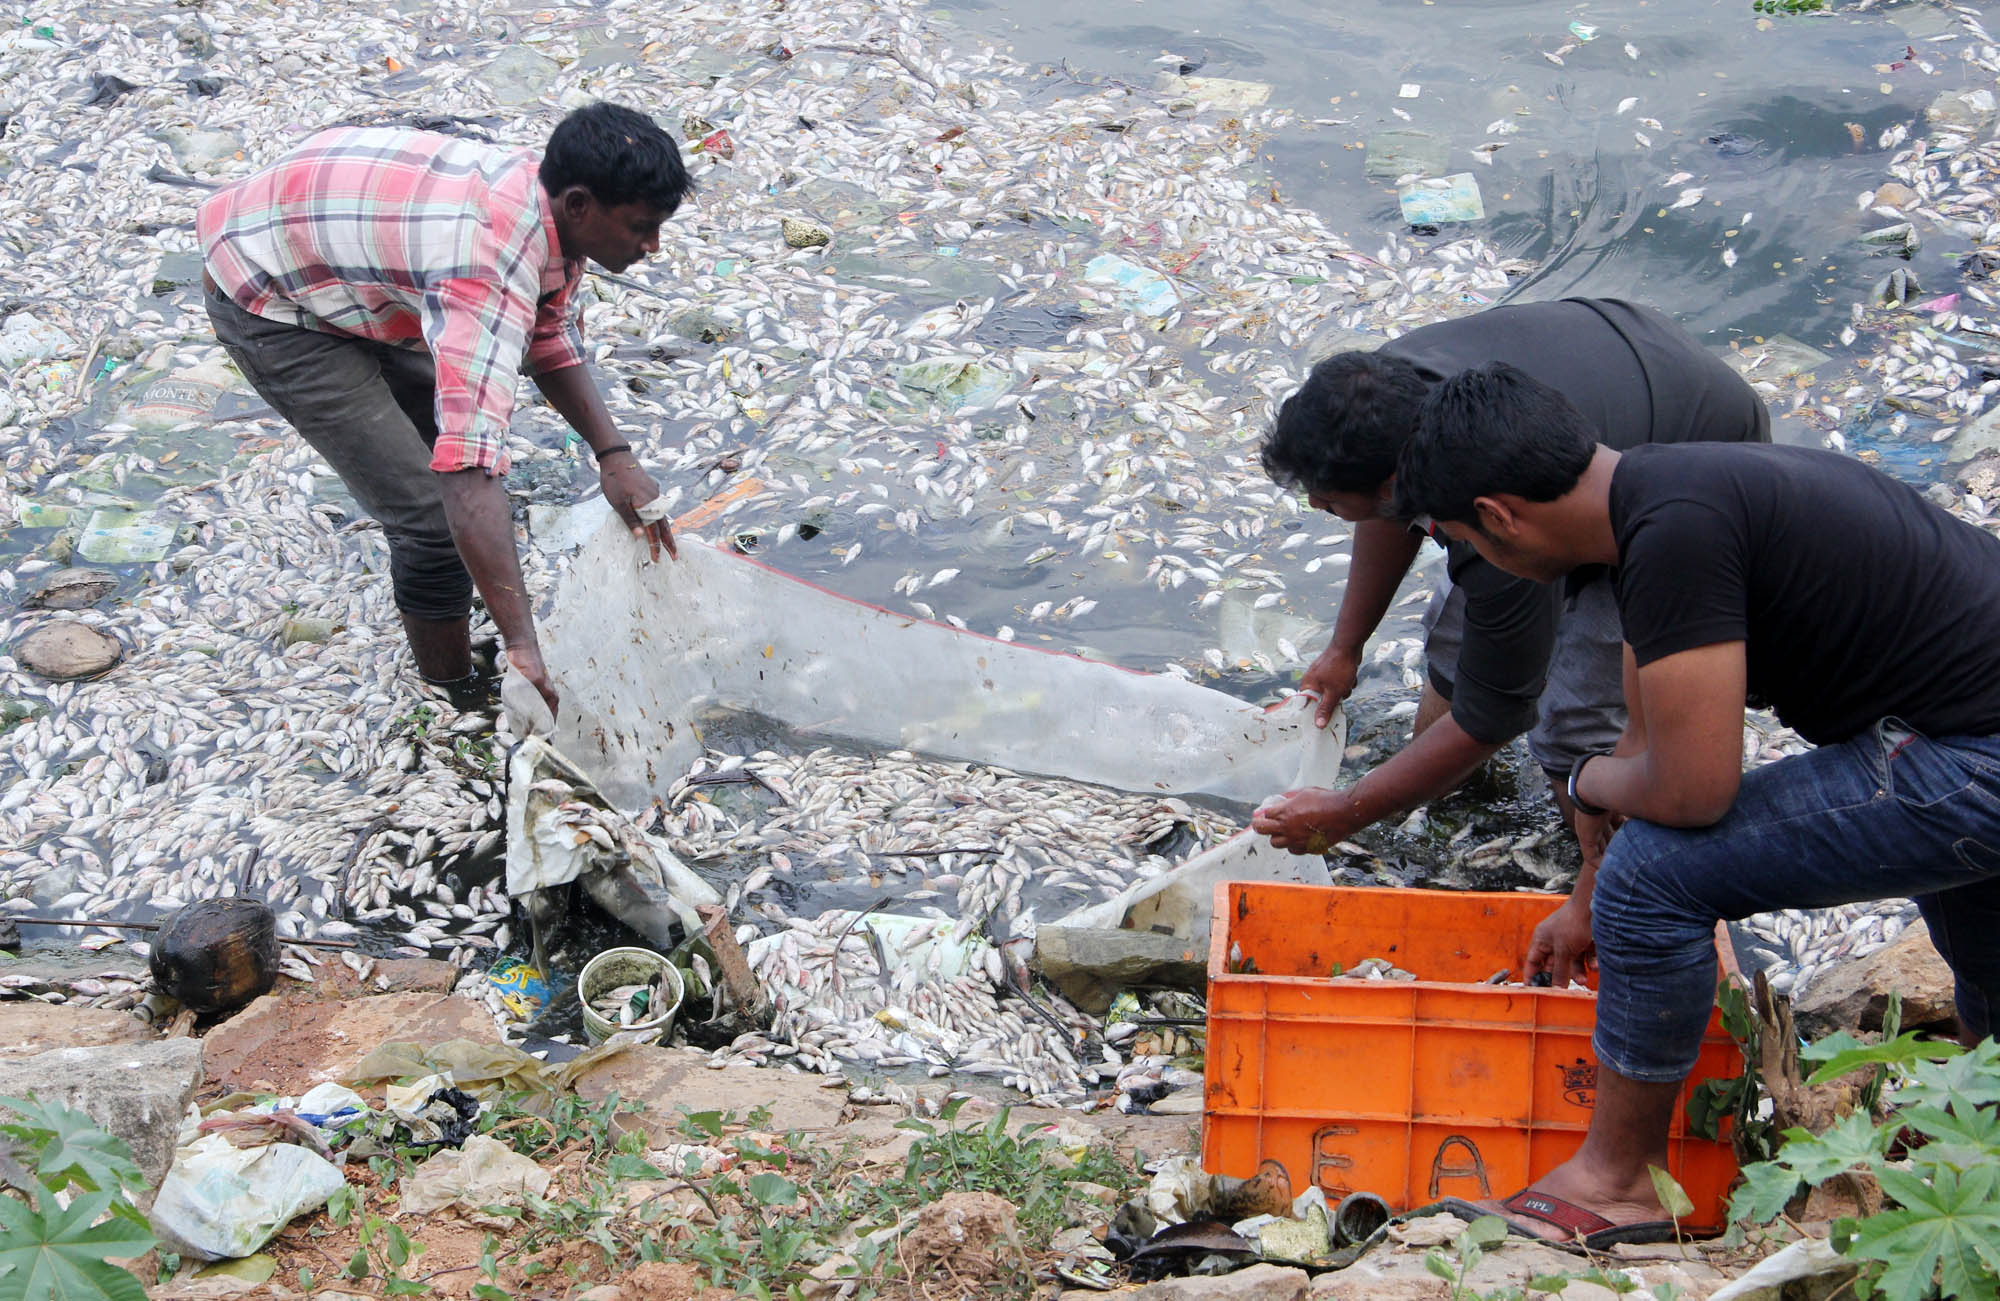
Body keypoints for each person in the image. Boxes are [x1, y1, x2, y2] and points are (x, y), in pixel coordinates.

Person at [1389, 361, 2000, 1244]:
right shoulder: (1661, 495)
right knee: (1982, 950)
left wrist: (1583, 781)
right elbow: (1644, 746)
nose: (1484, 561)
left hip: (1974, 757)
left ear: (1498, 516)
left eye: (1466, 541)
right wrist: (1583, 898)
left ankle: (1618, 1183)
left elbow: (1691, 789)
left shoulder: (1673, 537)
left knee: (1654, 878)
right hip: (1959, 726)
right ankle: (1980, 1139)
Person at [198, 102, 692, 716]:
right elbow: (467, 468)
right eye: (641, 227)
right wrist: (521, 644)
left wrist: (613, 455)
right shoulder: (483, 270)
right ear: (579, 205)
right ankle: (453, 691)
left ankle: (461, 613)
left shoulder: (547, 207)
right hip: (266, 285)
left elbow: (546, 332)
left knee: (444, 454)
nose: (652, 246)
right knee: (432, 521)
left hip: (348, 244)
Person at [1252, 299, 1769, 867]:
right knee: (1456, 646)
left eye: (1327, 500)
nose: (1315, 504)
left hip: (1688, 454)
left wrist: (1348, 812)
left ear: (1395, 485)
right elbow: (1384, 509)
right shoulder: (1377, 405)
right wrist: (1345, 647)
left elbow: (1495, 712)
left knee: (1576, 725)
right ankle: (1435, 801)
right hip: (1618, 365)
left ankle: (1615, 879)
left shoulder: (1499, 526)